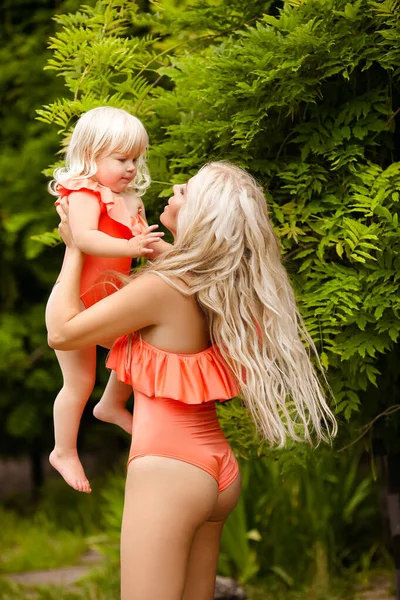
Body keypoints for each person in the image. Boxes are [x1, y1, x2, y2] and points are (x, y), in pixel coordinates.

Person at [48, 161, 337, 600]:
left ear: (201, 215)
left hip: (169, 470)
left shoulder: (163, 288)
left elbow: (61, 333)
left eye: (187, 190)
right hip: (217, 468)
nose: (175, 187)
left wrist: (74, 249)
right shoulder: (222, 287)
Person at [45, 106, 166, 494]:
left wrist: (152, 248)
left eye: (136, 158)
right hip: (76, 303)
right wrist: (130, 243)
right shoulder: (84, 192)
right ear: (89, 156)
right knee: (78, 381)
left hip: (111, 301)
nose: (131, 168)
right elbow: (84, 237)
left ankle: (111, 405)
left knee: (138, 349)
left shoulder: (131, 199)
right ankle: (63, 450)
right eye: (120, 159)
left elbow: (142, 244)